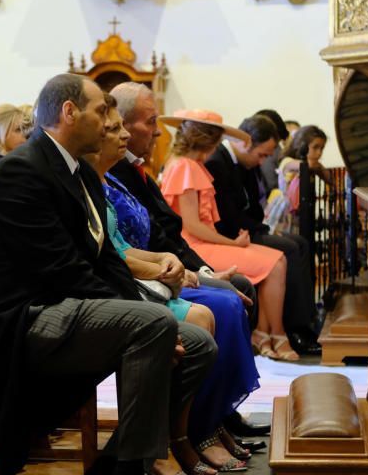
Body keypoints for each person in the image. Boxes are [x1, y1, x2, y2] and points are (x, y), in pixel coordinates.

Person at [0, 73, 215, 475]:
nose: (110, 122)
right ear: (69, 113)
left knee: (198, 343)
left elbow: (105, 261)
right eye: (101, 111)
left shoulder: (79, 171)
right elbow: (62, 270)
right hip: (27, 320)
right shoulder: (20, 172)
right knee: (154, 327)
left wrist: (155, 315)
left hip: (73, 308)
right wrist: (149, 320)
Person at [95, 99, 257, 475]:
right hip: (126, 285)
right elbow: (107, 251)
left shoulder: (119, 175)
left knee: (235, 292)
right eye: (147, 123)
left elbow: (151, 234)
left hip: (154, 271)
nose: (156, 132)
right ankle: (185, 434)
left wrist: (182, 265)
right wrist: (169, 267)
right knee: (223, 306)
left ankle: (212, 420)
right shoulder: (101, 178)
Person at [159, 110, 296, 361]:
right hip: (195, 246)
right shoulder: (185, 167)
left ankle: (265, 333)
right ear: (209, 141)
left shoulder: (189, 165)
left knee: (277, 259)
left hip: (202, 242)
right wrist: (232, 243)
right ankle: (275, 333)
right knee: (276, 262)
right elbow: (192, 225)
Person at [108, 83, 258, 314]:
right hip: (156, 269)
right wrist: (191, 270)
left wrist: (203, 271)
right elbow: (171, 230)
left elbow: (166, 229)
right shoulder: (113, 171)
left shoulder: (136, 168)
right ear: (122, 125)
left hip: (171, 259)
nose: (158, 131)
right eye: (150, 121)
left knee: (241, 283)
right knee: (234, 293)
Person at [207, 115, 320, 353]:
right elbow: (227, 216)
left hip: (244, 229)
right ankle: (294, 328)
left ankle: (306, 321)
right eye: (263, 155)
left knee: (299, 242)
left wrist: (260, 226)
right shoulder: (217, 161)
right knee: (287, 248)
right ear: (246, 143)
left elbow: (253, 207)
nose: (263, 161)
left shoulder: (243, 162)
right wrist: (256, 228)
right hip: (230, 234)